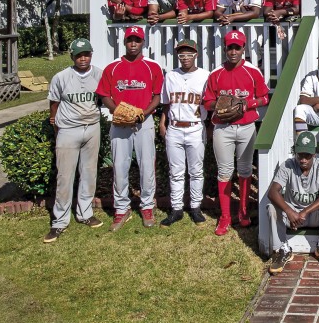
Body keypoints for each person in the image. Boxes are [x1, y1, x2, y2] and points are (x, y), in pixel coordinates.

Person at [202, 29, 270, 236]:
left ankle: (243, 212)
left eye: (237, 47)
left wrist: (246, 103)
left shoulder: (253, 71)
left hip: (247, 127)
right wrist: (222, 104)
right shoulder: (216, 74)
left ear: (243, 49)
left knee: (245, 170)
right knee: (224, 171)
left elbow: (264, 98)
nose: (233, 51)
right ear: (225, 49)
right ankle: (225, 217)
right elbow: (207, 102)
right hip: (223, 127)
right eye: (229, 47)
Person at [96, 26, 163, 231]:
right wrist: (118, 112)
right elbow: (104, 94)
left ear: (143, 43)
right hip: (120, 123)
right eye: (130, 40)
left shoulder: (153, 67)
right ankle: (121, 208)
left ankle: (147, 206)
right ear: (124, 42)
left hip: (144, 122)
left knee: (146, 166)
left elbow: (157, 96)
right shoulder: (112, 67)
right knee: (120, 166)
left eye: (137, 40)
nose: (133, 44)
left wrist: (144, 113)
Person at [44, 38, 103, 243]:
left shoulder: (99, 74)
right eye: (79, 55)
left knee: (88, 173)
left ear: (91, 55)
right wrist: (57, 124)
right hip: (68, 129)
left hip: (92, 127)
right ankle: (59, 221)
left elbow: (104, 98)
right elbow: (54, 102)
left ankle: (85, 213)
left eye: (86, 54)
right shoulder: (61, 77)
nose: (83, 58)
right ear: (72, 56)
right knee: (65, 176)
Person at [266, 131, 319, 275]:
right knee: (271, 208)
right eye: (300, 155)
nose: (303, 159)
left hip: (312, 215)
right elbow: (272, 192)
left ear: (314, 154)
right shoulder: (288, 165)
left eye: (307, 155)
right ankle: (283, 249)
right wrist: (289, 211)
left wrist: (304, 212)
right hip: (293, 215)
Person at [158, 38, 210, 227]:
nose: (185, 57)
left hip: (196, 126)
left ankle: (196, 207)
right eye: (181, 54)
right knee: (176, 171)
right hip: (174, 127)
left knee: (196, 171)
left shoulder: (205, 75)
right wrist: (163, 123)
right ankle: (176, 208)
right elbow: (166, 103)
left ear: (196, 55)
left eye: (189, 54)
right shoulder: (171, 76)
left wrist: (210, 126)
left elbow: (210, 104)